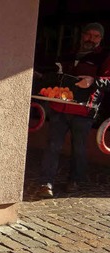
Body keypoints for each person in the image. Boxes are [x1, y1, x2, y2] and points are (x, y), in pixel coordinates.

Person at [34, 22, 110, 198]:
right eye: (88, 34)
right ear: (82, 35)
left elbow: (108, 81)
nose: (91, 38)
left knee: (79, 149)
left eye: (96, 36)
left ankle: (74, 181)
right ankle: (46, 183)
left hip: (84, 111)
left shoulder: (105, 56)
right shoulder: (69, 53)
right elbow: (55, 74)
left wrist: (93, 80)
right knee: (52, 146)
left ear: (101, 39)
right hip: (58, 108)